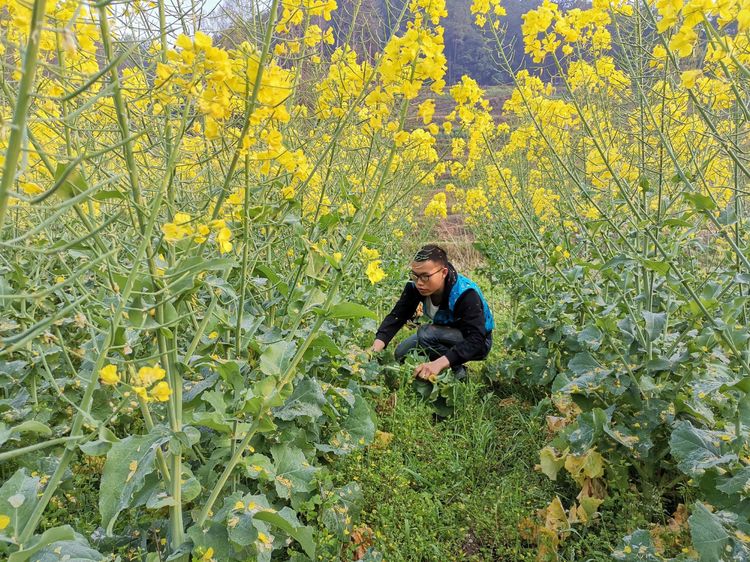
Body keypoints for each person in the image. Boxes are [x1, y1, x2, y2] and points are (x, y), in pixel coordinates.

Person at [371, 244, 494, 381]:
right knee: (401, 354)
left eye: (425, 276)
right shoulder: (415, 286)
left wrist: (437, 364)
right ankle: (449, 364)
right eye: (415, 275)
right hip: (442, 334)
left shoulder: (465, 294)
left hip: (478, 341)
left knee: (426, 334)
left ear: (443, 273)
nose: (419, 283)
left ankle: (458, 371)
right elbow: (397, 316)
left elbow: (476, 339)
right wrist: (373, 351)